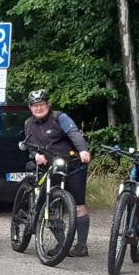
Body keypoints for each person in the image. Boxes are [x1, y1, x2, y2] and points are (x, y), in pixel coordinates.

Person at [23, 89, 92, 257]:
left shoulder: (59, 117)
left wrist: (83, 150)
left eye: (41, 104)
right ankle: (63, 244)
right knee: (50, 205)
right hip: (49, 167)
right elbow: (30, 147)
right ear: (30, 107)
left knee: (79, 206)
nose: (39, 108)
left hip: (72, 165)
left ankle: (81, 246)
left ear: (48, 104)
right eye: (35, 105)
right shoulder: (28, 124)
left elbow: (74, 133)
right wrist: (36, 156)